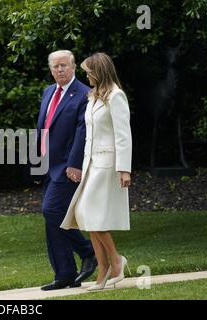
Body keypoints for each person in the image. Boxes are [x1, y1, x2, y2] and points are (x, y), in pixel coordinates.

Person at [60, 52, 133, 291]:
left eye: (88, 72)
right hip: (93, 165)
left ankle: (116, 261)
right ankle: (103, 272)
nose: (86, 76)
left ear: (98, 71)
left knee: (91, 214)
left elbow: (123, 135)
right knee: (86, 215)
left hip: (109, 166)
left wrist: (124, 169)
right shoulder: (93, 97)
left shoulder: (116, 96)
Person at [37, 50, 97, 291]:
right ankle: (64, 274)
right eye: (55, 66)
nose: (59, 70)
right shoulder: (48, 92)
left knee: (51, 210)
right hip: (48, 166)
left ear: (73, 67)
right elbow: (43, 128)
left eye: (64, 65)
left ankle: (88, 251)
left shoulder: (84, 94)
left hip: (67, 167)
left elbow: (82, 133)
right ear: (51, 69)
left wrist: (75, 165)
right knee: (53, 218)